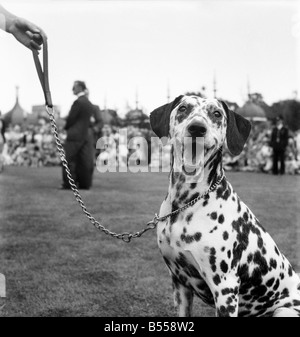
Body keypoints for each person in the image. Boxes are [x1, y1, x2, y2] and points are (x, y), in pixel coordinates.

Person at [61, 81, 96, 190]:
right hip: (85, 135)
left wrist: (66, 128)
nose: (72, 89)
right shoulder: (89, 103)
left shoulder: (77, 102)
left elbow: (71, 118)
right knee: (84, 160)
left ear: (80, 88)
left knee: (68, 159)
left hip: (75, 135)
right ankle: (85, 184)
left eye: (74, 87)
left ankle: (68, 184)